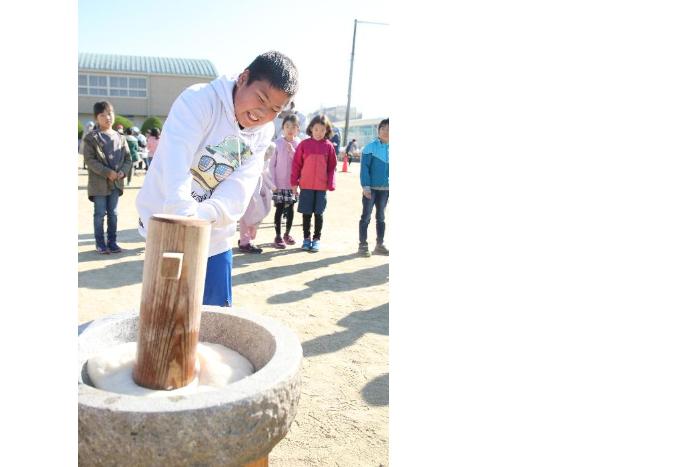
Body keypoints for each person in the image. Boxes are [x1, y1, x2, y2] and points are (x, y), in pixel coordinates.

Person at [135, 51, 298, 307]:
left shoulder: (263, 131)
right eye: (261, 99)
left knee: (216, 319)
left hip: (214, 231)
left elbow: (240, 188)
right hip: (167, 224)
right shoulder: (199, 100)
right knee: (166, 317)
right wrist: (183, 219)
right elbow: (174, 165)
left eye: (274, 109)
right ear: (244, 78)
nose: (262, 113)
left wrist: (204, 217)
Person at [83, 101, 132, 254]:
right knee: (99, 214)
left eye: (109, 114)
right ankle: (100, 243)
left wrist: (123, 172)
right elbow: (89, 160)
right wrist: (107, 172)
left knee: (114, 214)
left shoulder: (121, 137)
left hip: (116, 183)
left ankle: (112, 242)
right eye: (102, 115)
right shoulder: (91, 138)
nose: (107, 117)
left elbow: (128, 159)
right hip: (98, 184)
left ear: (114, 115)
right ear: (96, 118)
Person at [290, 114, 337, 253]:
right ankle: (306, 238)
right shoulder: (304, 145)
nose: (319, 132)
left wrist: (331, 183)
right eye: (316, 129)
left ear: (327, 131)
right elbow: (296, 165)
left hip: (321, 187)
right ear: (311, 128)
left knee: (319, 214)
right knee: (306, 214)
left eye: (322, 130)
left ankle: (316, 239)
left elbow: (332, 167)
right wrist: (294, 183)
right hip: (306, 186)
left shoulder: (329, 147)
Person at [358, 118, 389, 257]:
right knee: (366, 216)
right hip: (370, 189)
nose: (386, 132)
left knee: (381, 217)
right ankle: (363, 245)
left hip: (385, 190)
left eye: (389, 129)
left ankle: (380, 245)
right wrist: (366, 187)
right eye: (383, 128)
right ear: (378, 130)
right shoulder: (370, 147)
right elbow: (364, 168)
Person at [270, 113, 302, 248]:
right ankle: (277, 236)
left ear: (297, 130)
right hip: (278, 184)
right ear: (282, 128)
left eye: (293, 127)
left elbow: (300, 163)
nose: (290, 129)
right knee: (279, 209)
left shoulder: (299, 144)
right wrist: (272, 183)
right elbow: (271, 165)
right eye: (287, 126)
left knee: (291, 210)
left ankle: (287, 234)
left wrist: (292, 151)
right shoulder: (276, 144)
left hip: (292, 185)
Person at [238, 143, 277, 253]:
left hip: (255, 191)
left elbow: (264, 174)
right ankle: (245, 242)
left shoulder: (262, 162)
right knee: (251, 215)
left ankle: (245, 239)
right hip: (251, 191)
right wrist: (273, 187)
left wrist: (272, 187)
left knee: (249, 216)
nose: (268, 155)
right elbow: (263, 174)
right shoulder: (254, 161)